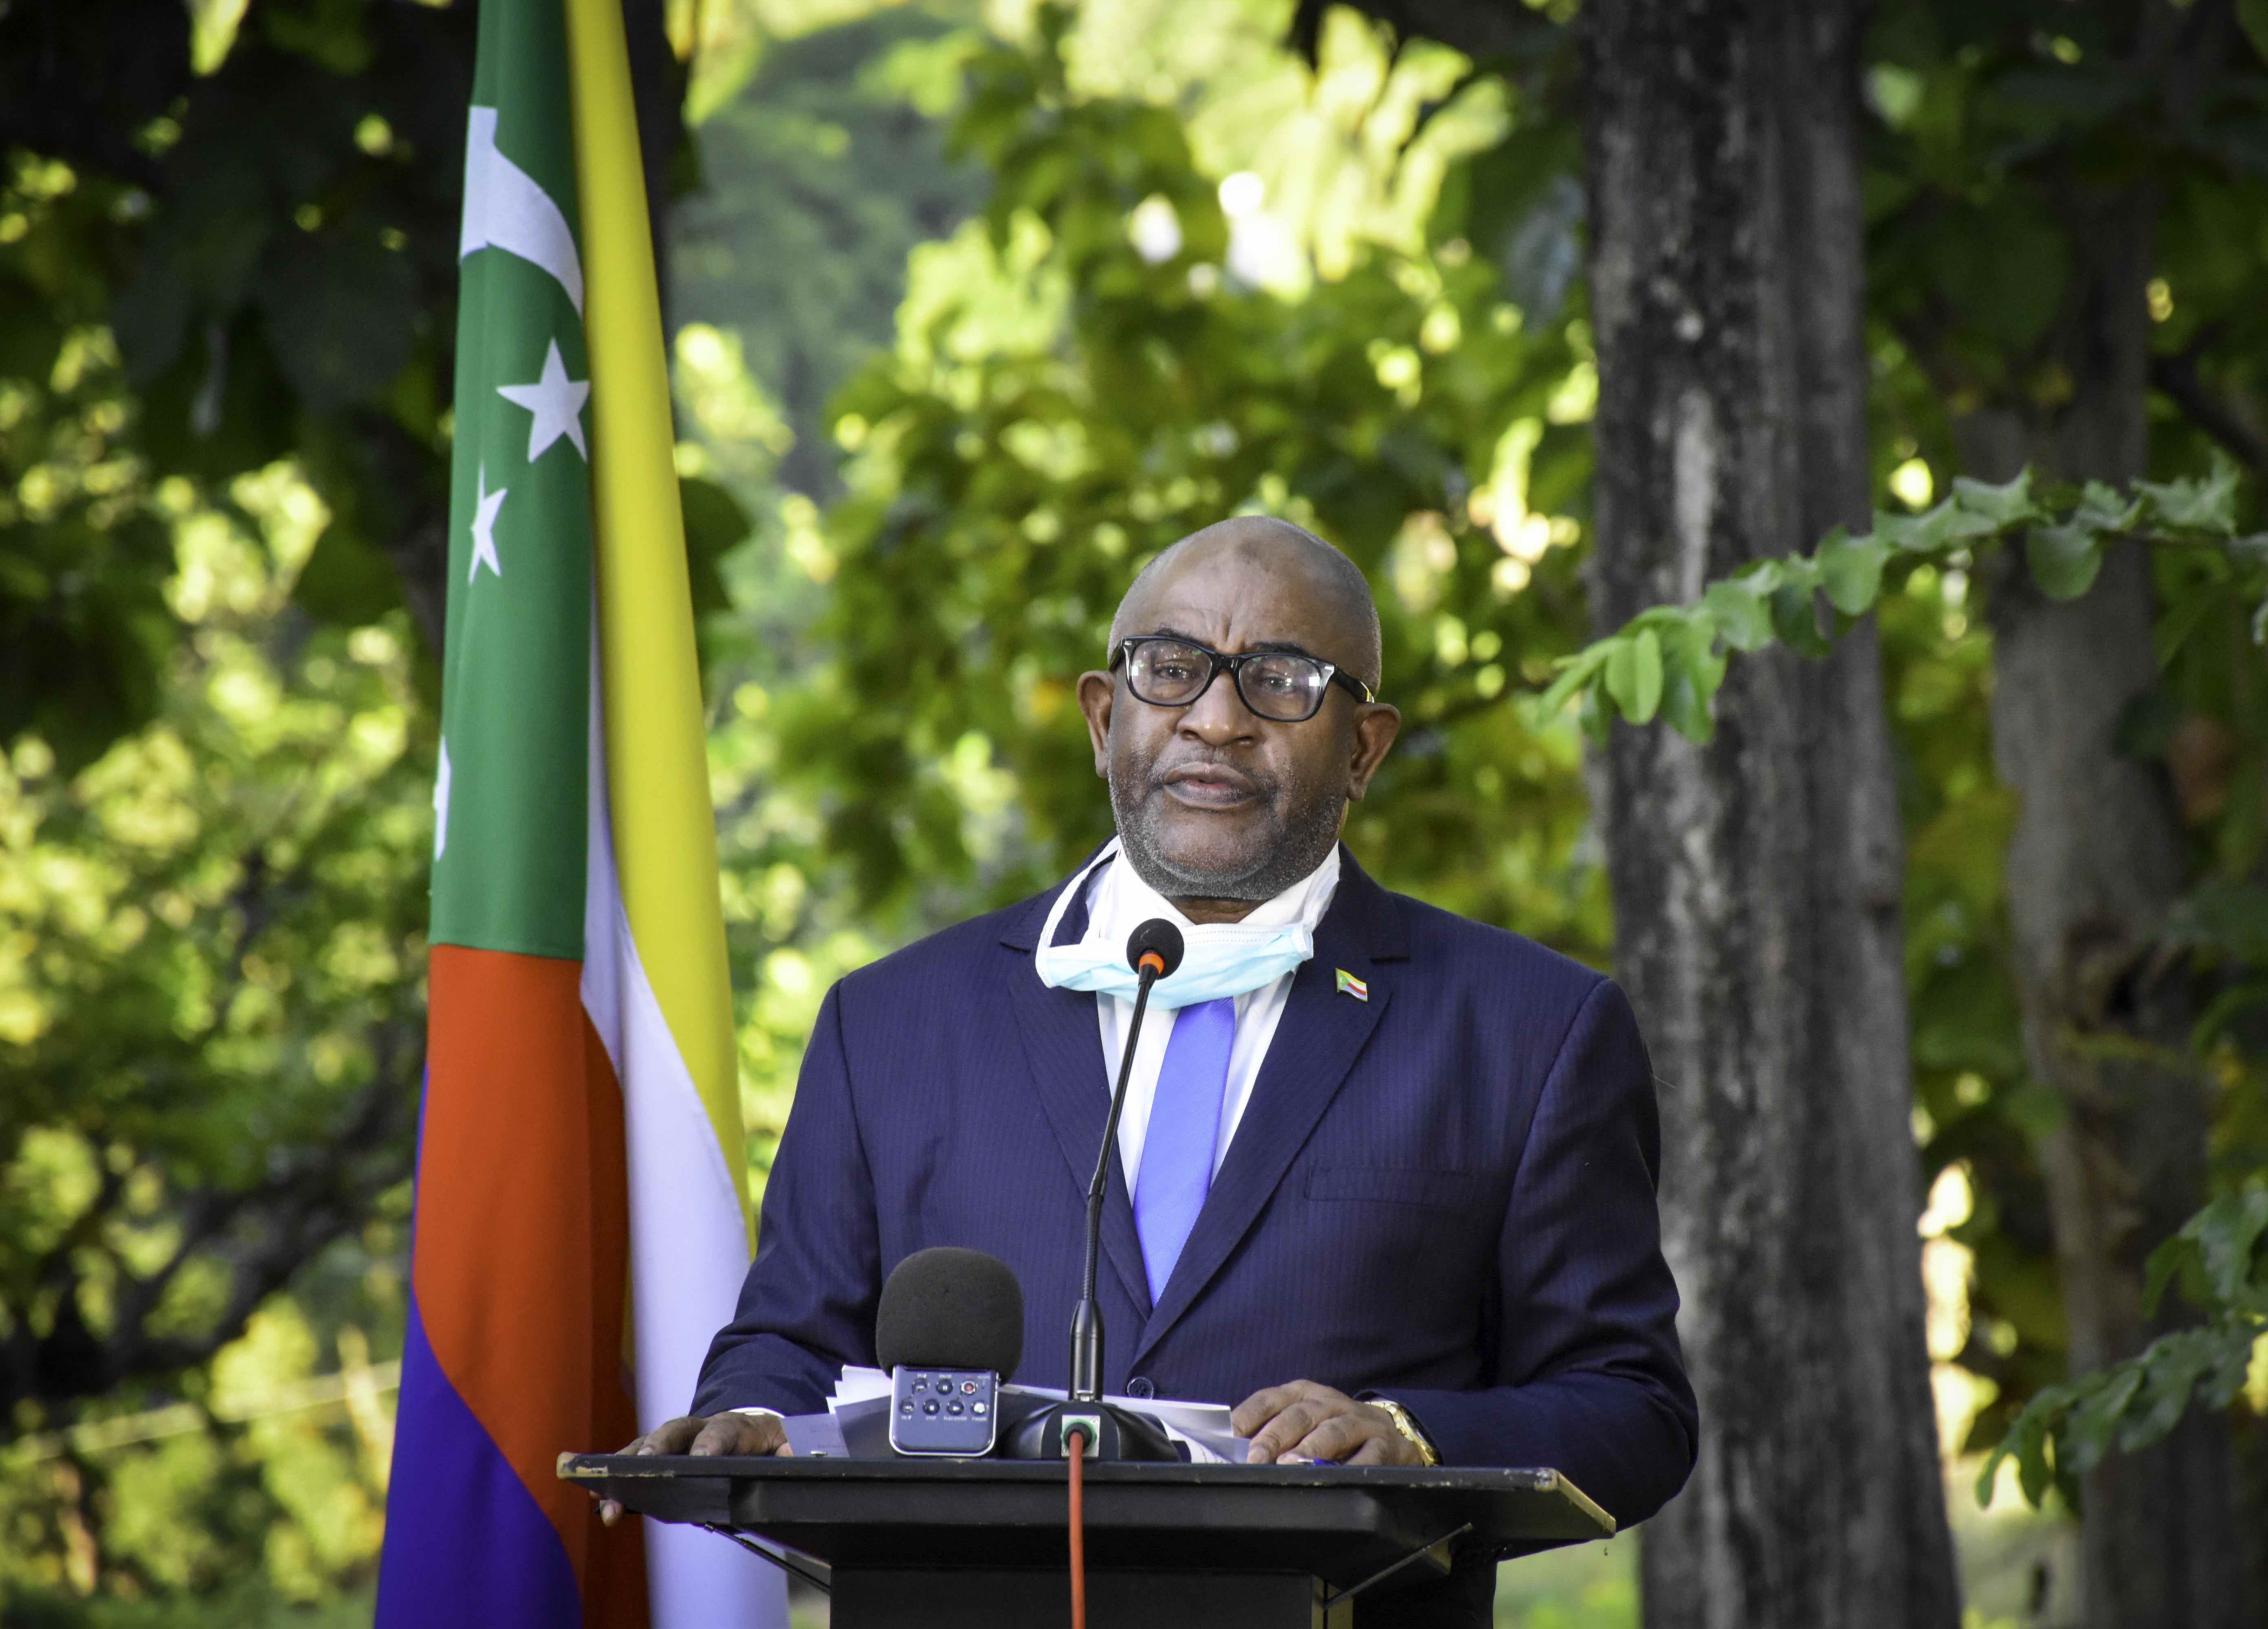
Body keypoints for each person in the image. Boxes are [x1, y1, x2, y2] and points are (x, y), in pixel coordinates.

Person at [613, 516, 1696, 1624]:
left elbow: (1631, 1409)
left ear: (1364, 748)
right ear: (1103, 716)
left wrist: (1412, 1435)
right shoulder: (891, 1022)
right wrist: (754, 1417)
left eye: (1281, 681)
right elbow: (792, 1344)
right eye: (1172, 670)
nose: (1216, 720)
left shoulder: (1529, 1030)